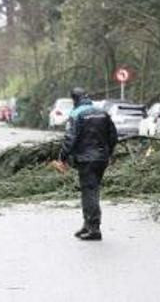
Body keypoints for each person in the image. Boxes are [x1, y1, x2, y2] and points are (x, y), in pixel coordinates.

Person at [53, 88, 118, 241]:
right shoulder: (102, 112)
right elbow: (113, 136)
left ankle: (94, 228)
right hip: (102, 159)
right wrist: (109, 153)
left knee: (89, 192)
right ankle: (87, 225)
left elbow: (70, 138)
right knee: (92, 190)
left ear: (74, 100)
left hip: (86, 160)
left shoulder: (76, 114)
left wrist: (61, 158)